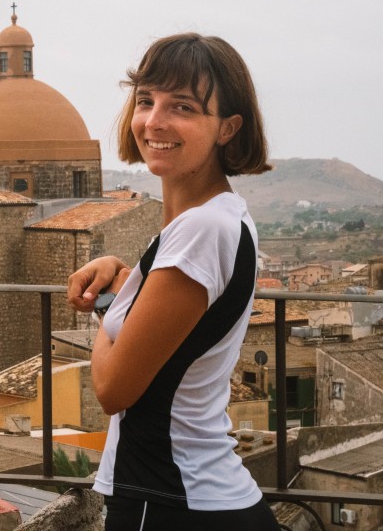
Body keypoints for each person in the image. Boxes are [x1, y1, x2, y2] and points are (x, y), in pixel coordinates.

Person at [67, 33, 279, 530]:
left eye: (182, 106)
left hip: (169, 502)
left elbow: (114, 388)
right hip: (199, 498)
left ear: (228, 128)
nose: (154, 121)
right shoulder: (219, 219)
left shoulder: (204, 229)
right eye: (145, 100)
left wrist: (108, 305)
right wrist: (124, 277)